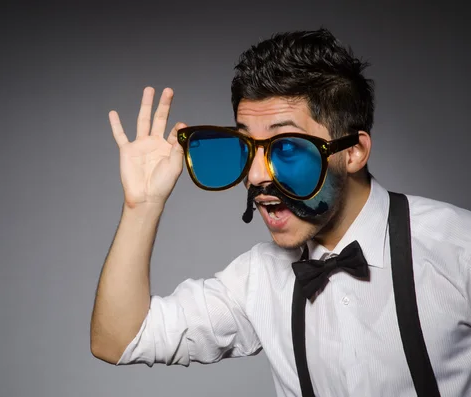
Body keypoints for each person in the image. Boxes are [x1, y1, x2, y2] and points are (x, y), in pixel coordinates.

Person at [90, 28, 471, 397]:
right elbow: (120, 339)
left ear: (353, 152)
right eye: (246, 145)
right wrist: (142, 207)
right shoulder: (259, 278)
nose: (256, 176)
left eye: (286, 147)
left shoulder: (458, 247)